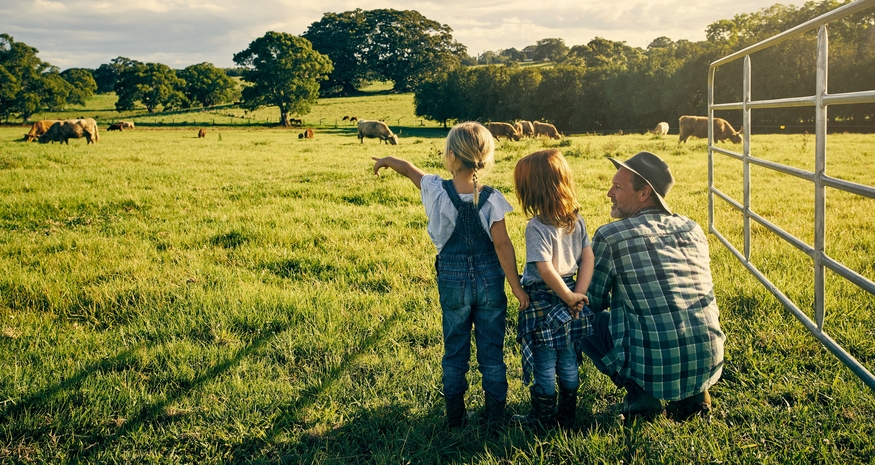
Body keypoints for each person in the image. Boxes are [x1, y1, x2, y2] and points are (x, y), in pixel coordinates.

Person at [372, 122, 529, 429]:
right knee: (492, 351)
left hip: (453, 281)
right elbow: (502, 244)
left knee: (455, 348)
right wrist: (517, 287)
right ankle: (496, 417)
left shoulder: (434, 188)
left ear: (452, 156)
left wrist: (386, 161)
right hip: (490, 281)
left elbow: (409, 170)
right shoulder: (492, 198)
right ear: (485, 156)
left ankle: (455, 418)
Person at [580, 151, 726, 421]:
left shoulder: (611, 236)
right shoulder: (692, 228)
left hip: (655, 368)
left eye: (618, 187)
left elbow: (592, 301)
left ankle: (641, 397)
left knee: (579, 316)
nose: (609, 193)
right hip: (709, 362)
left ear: (644, 192)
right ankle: (695, 396)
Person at [510, 149, 594, 429]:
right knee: (568, 357)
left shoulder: (536, 227)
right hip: (571, 295)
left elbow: (545, 270)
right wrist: (576, 294)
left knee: (545, 361)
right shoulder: (576, 219)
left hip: (545, 300)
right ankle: (567, 415)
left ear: (532, 190)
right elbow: (587, 258)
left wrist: (569, 296)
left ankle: (543, 418)